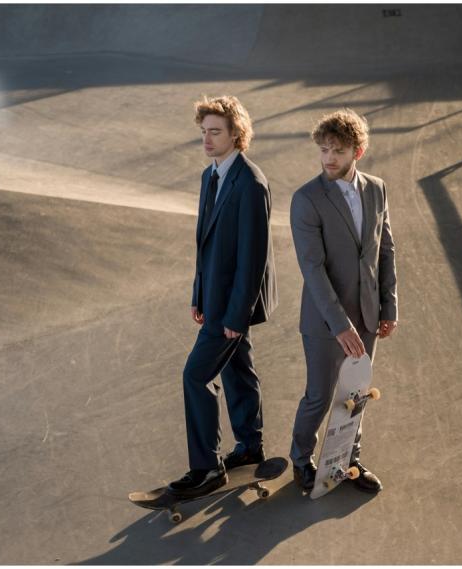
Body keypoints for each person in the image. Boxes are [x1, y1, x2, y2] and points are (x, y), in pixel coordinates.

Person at [166, 96, 278, 498]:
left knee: (196, 375)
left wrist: (235, 315)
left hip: (233, 303)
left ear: (236, 134)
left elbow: (253, 258)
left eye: (215, 132)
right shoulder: (209, 176)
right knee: (236, 369)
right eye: (203, 132)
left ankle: (207, 468)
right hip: (214, 297)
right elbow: (205, 245)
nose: (207, 139)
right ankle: (250, 447)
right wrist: (198, 294)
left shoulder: (250, 183)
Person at [289, 108, 398, 493]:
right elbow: (313, 270)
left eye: (337, 150)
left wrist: (389, 307)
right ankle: (302, 460)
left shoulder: (377, 188)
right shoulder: (306, 199)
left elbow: (385, 250)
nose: (328, 158)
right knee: (319, 396)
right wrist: (340, 325)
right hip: (324, 321)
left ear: (359, 151)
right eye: (323, 150)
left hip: (368, 313)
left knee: (356, 394)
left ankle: (349, 461)